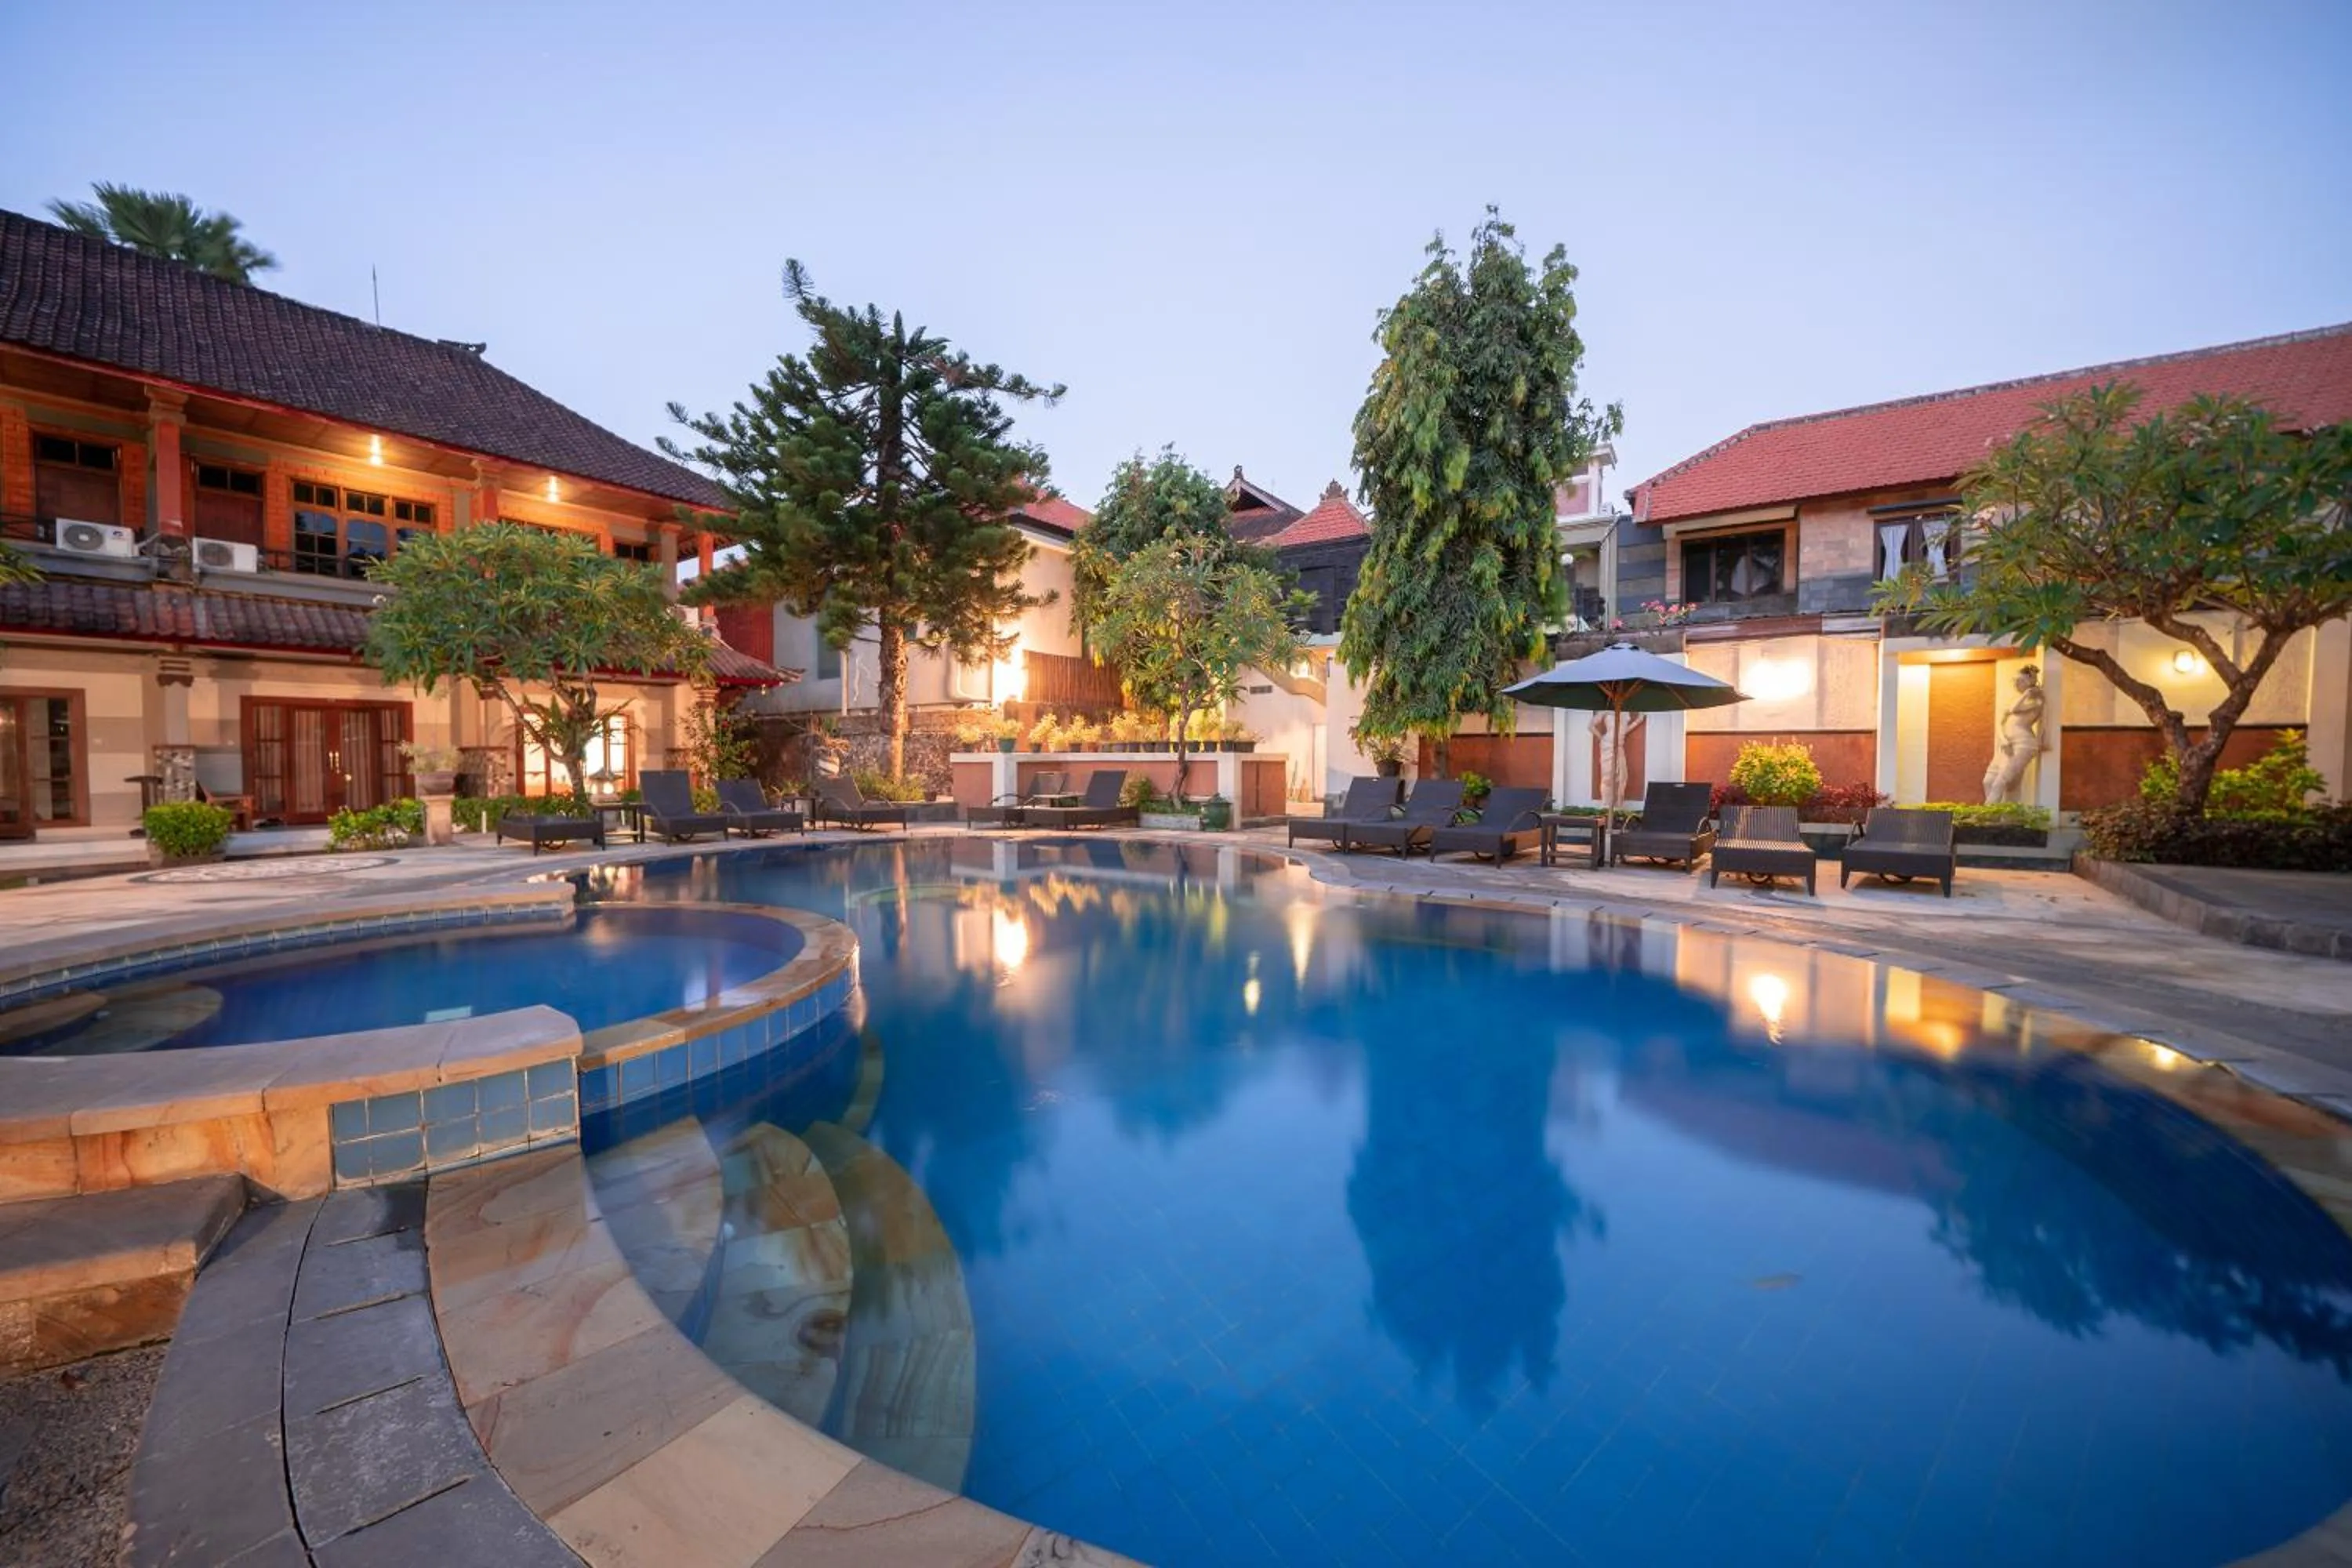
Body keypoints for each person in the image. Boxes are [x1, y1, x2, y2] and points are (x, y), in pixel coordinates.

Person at [1983, 664, 2045, 804]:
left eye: (2022, 681)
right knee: (1988, 781)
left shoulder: (2037, 701)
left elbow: (2014, 708)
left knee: (2001, 782)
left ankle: (1987, 818)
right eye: (2016, 681)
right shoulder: (2017, 699)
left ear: (2031, 683)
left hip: (2023, 744)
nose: (2017, 684)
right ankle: (2000, 817)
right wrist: (2003, 739)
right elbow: (2000, 722)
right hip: (2006, 745)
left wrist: (2026, 694)